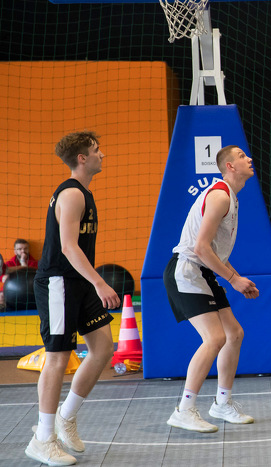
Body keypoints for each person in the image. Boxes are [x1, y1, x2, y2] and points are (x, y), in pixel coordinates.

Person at [26, 131, 121, 466]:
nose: (102, 155)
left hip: (78, 282)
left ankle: (66, 417)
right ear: (82, 158)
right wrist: (100, 283)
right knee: (57, 359)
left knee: (103, 348)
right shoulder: (71, 194)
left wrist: (90, 282)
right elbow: (68, 247)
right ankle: (43, 438)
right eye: (97, 150)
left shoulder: (85, 192)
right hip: (59, 283)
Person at [163, 145, 259, 432]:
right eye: (241, 156)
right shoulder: (219, 196)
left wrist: (237, 278)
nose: (249, 159)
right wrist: (233, 280)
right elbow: (201, 248)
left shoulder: (231, 196)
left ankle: (221, 404)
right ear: (229, 166)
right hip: (187, 271)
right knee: (215, 338)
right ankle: (184, 410)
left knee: (234, 334)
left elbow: (214, 253)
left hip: (204, 272)